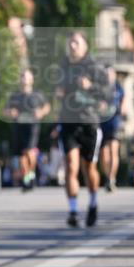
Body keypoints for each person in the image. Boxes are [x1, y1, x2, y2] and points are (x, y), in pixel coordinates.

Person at [55, 31, 109, 228]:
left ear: (85, 46)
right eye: (70, 43)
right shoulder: (64, 66)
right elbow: (56, 88)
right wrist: (58, 91)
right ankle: (73, 210)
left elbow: (106, 93)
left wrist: (90, 86)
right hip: (68, 122)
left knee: (89, 168)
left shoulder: (94, 67)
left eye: (76, 42)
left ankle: (93, 203)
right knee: (71, 165)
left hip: (89, 122)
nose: (72, 46)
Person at [2, 68, 50, 191]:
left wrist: (41, 112)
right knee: (21, 156)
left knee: (29, 151)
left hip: (32, 126)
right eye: (22, 76)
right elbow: (4, 111)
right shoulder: (15, 96)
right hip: (18, 126)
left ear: (31, 79)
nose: (24, 78)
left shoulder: (37, 95)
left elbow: (47, 107)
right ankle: (27, 178)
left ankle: (31, 174)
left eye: (26, 76)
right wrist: (10, 112)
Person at [99, 66, 125, 191]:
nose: (108, 76)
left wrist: (122, 112)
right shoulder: (99, 88)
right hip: (101, 122)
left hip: (114, 121)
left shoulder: (118, 88)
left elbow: (123, 104)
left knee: (114, 150)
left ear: (114, 75)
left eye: (110, 74)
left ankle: (111, 178)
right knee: (103, 153)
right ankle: (106, 176)